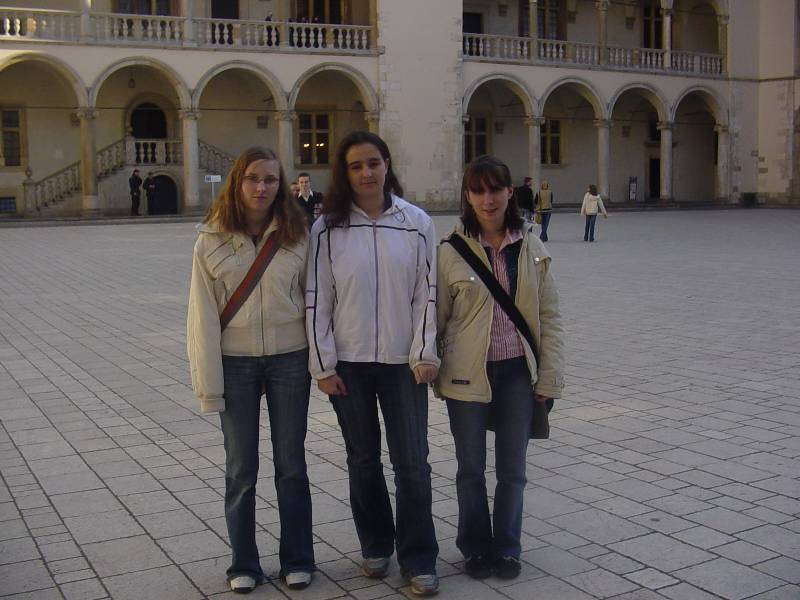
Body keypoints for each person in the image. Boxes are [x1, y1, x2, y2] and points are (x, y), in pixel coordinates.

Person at [305, 131, 440, 596]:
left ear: (387, 165)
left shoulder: (416, 223)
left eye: (374, 163)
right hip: (350, 364)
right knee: (363, 460)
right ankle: (377, 545)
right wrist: (323, 366)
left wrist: (424, 353)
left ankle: (419, 557)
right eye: (356, 166)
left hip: (404, 364)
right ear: (344, 174)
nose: (366, 173)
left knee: (412, 463)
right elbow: (318, 297)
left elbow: (427, 294)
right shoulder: (327, 228)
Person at [186, 147, 315, 594]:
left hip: (289, 358)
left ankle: (298, 558)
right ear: (237, 182)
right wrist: (208, 385)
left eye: (271, 180)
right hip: (235, 362)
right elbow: (201, 316)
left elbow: (314, 301)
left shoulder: (299, 234)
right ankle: (243, 562)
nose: (262, 187)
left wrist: (321, 362)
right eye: (253, 178)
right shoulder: (211, 239)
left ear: (282, 186)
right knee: (240, 468)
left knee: (291, 464)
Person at [435, 155, 564, 582]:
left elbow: (550, 317)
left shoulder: (531, 246)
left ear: (510, 192)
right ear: (467, 196)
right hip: (466, 373)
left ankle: (507, 548)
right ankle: (475, 547)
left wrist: (549, 377)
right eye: (478, 191)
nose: (487, 199)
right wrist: (426, 364)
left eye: (495, 190)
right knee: (470, 468)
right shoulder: (450, 251)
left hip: (516, 374)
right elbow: (435, 319)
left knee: (513, 470)